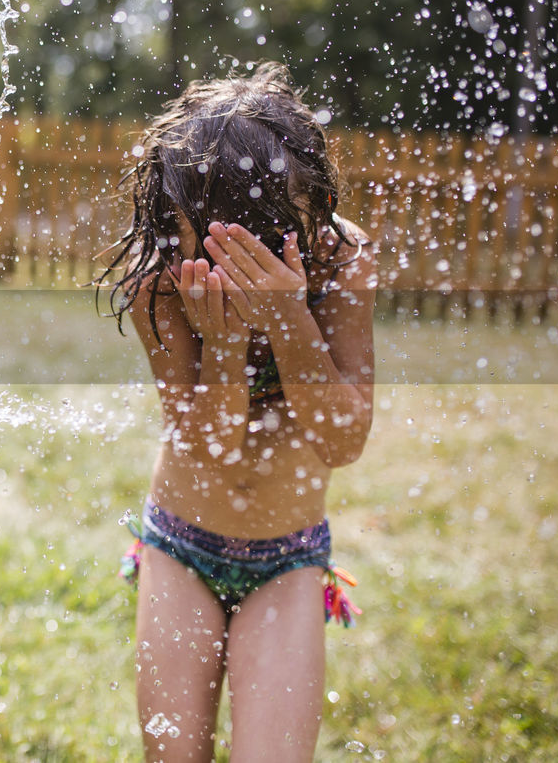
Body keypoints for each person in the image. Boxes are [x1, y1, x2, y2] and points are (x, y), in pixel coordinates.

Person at [98, 62, 375, 762]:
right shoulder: (158, 281)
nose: (235, 263)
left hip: (288, 559)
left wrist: (287, 316)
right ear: (174, 220)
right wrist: (222, 339)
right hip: (181, 546)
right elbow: (211, 442)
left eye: (258, 238)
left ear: (307, 212)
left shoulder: (342, 262)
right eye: (214, 240)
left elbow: (343, 439)